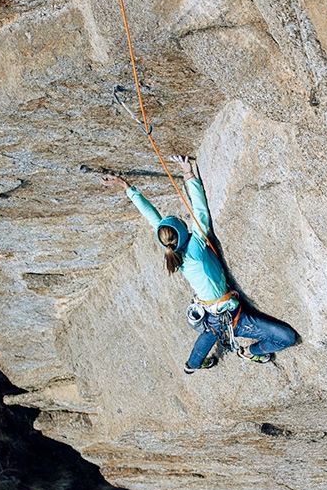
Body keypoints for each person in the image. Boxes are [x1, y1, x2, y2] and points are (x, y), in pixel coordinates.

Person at [100, 156, 296, 374]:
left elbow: (153, 219)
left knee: (211, 332)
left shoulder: (173, 248)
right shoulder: (194, 250)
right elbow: (200, 214)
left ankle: (193, 364)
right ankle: (250, 352)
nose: (187, 222)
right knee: (286, 337)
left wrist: (127, 188)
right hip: (228, 317)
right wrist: (189, 174)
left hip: (210, 313)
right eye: (184, 223)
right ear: (184, 232)